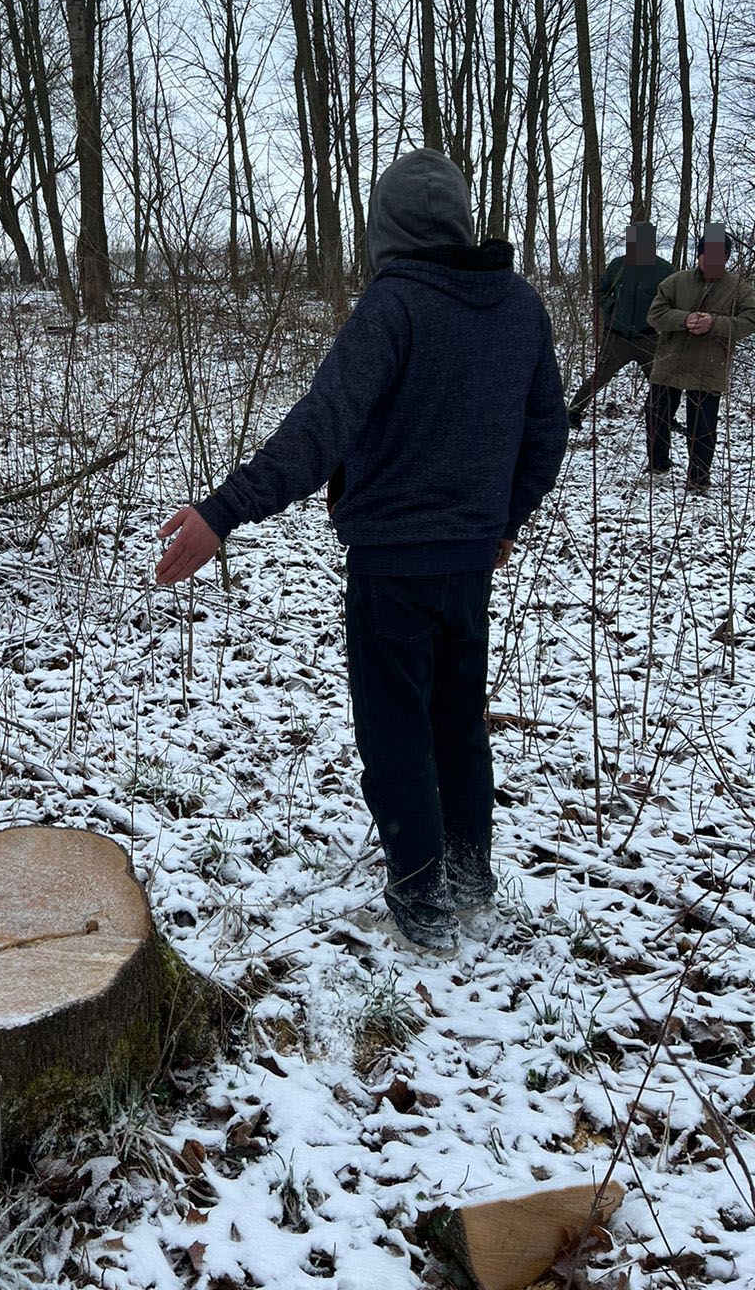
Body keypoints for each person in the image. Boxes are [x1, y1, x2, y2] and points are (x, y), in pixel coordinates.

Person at [155, 149, 567, 953]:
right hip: (466, 563)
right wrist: (501, 522)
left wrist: (220, 513)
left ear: (389, 232)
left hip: (392, 568)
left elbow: (318, 434)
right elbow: (544, 436)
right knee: (456, 717)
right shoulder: (521, 306)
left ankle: (422, 896)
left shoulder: (396, 306)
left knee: (396, 731)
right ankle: (466, 869)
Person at [644, 232, 755, 494]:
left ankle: (698, 479)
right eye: (708, 254)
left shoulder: (739, 288)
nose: (713, 260)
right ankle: (658, 466)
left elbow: (751, 320)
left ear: (727, 257)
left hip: (710, 364)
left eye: (720, 256)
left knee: (702, 426)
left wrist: (715, 324)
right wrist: (684, 319)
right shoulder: (675, 281)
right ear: (699, 254)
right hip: (670, 361)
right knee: (656, 416)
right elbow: (655, 315)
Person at [566, 222, 673, 431]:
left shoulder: (664, 270)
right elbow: (601, 291)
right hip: (617, 337)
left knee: (661, 381)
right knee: (600, 377)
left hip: (649, 337)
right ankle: (574, 412)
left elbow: (674, 301)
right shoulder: (618, 265)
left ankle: (666, 417)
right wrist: (611, 306)